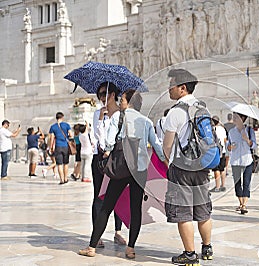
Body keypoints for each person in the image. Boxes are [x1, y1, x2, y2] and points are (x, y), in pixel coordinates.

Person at [79, 89, 166, 258]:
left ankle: (91, 247)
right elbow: (156, 145)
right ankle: (131, 248)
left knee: (107, 206)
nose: (121, 102)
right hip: (139, 170)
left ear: (129, 102)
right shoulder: (146, 121)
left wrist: (107, 151)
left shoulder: (118, 117)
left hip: (120, 168)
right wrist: (164, 161)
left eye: (123, 100)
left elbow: (108, 143)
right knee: (136, 209)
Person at [162, 69, 213, 265]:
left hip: (182, 167)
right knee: (202, 210)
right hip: (201, 166)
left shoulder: (176, 111)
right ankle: (207, 248)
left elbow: (167, 145)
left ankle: (190, 255)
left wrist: (169, 163)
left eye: (172, 85)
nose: (169, 89)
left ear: (182, 88)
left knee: (184, 212)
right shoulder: (202, 108)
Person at [90, 82, 126, 248]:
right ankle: (96, 234)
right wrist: (100, 119)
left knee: (118, 195)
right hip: (100, 158)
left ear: (112, 95)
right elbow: (96, 138)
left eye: (103, 93)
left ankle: (118, 231)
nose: (100, 97)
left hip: (117, 158)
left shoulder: (123, 114)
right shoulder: (98, 113)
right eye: (99, 94)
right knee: (98, 196)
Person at [227, 112, 257, 215]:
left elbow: (254, 145)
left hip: (247, 160)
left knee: (246, 183)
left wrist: (247, 140)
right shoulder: (231, 132)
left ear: (243, 118)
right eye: (234, 117)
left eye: (237, 117)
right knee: (237, 183)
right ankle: (241, 203)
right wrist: (230, 147)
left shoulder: (249, 130)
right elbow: (228, 145)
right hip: (235, 161)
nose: (234, 119)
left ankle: (244, 205)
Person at [49, 112, 73, 185]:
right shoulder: (66, 125)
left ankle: (61, 180)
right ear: (62, 117)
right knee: (65, 163)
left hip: (58, 146)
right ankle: (65, 178)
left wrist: (51, 147)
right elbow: (71, 135)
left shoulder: (53, 127)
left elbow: (52, 138)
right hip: (65, 146)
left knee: (59, 164)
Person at [210, 116, 227, 192]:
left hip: (216, 151)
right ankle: (223, 185)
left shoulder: (213, 129)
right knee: (222, 168)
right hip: (222, 150)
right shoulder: (222, 129)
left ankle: (217, 186)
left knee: (216, 169)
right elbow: (225, 139)